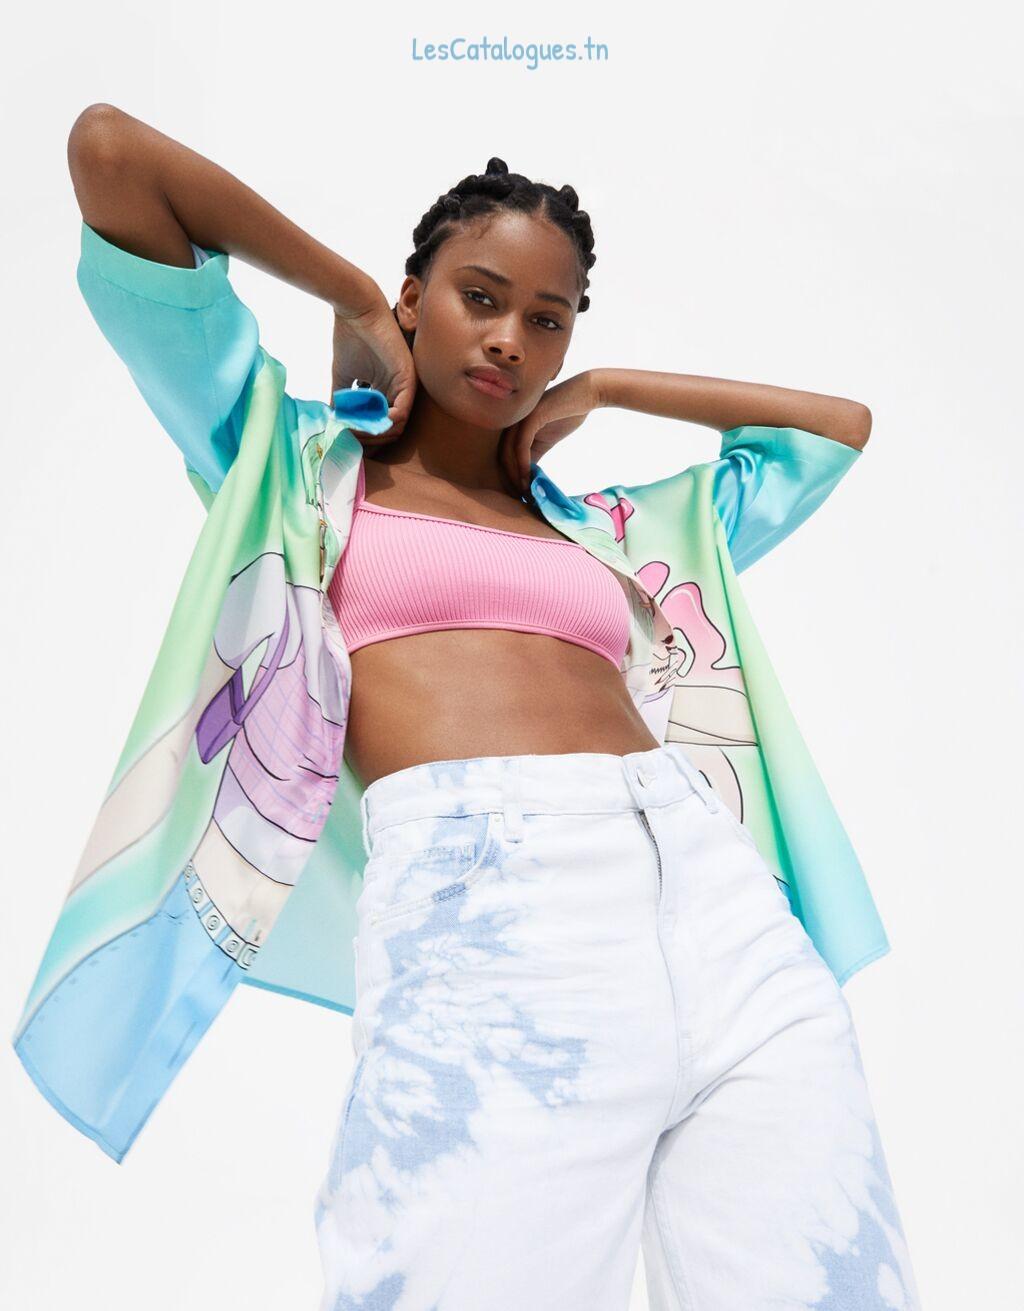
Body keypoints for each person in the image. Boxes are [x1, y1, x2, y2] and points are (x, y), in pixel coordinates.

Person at [13, 103, 922, 1310]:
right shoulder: (288, 467)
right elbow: (112, 157)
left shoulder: (611, 530)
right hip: (487, 900)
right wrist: (345, 296)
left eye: (546, 320)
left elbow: (834, 434)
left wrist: (604, 389)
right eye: (478, 298)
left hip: (722, 909)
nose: (508, 340)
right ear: (416, 296)